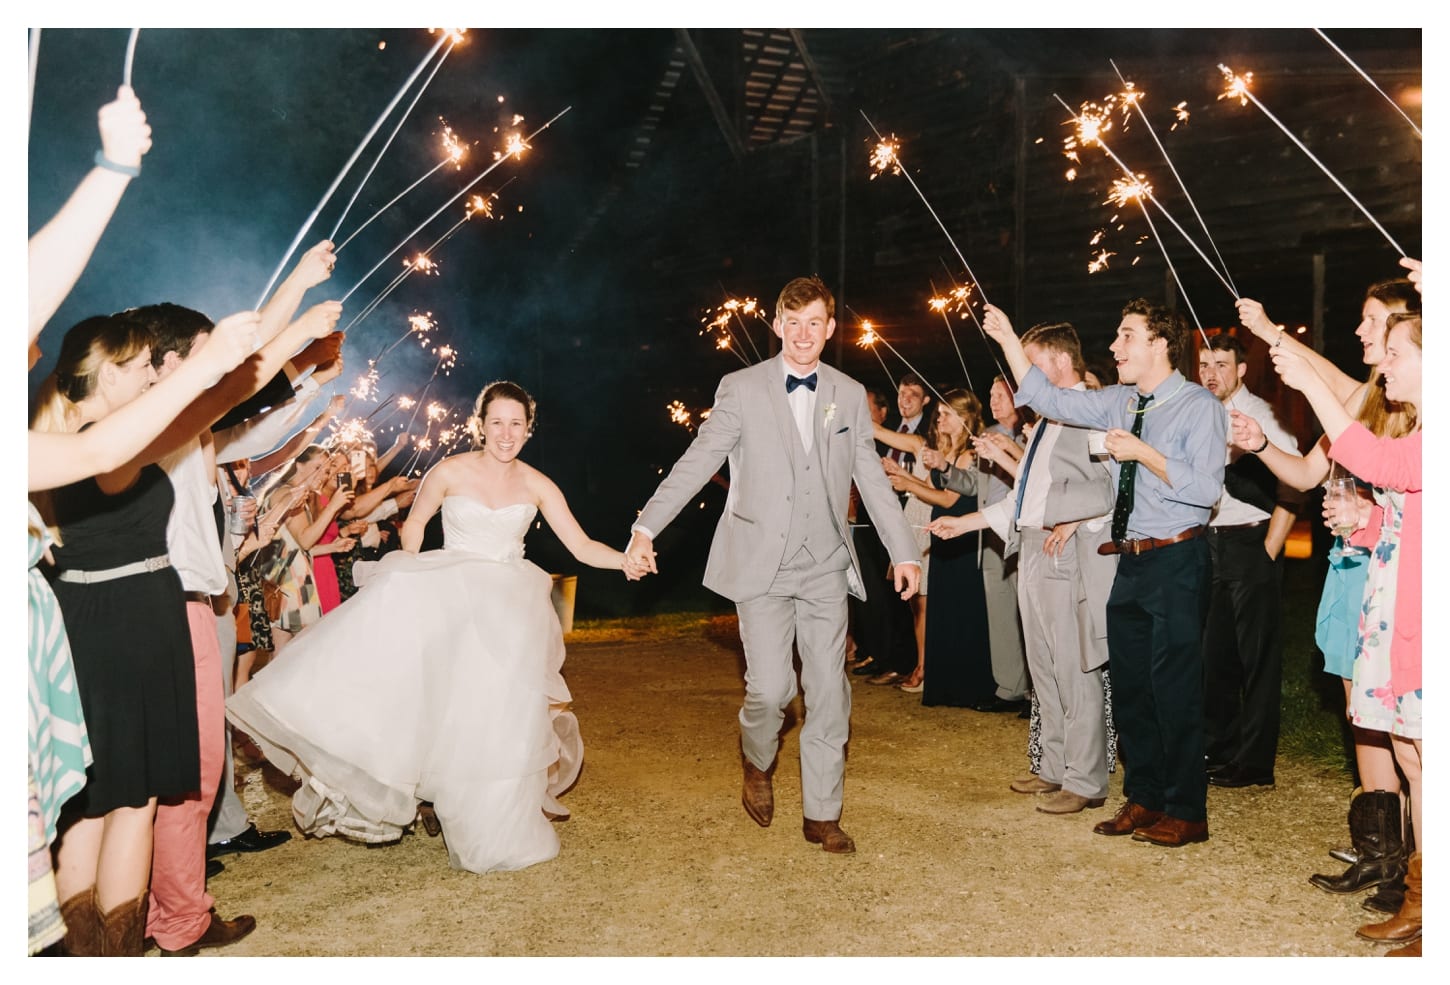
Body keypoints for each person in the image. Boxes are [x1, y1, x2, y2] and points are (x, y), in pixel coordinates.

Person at [228, 381, 639, 873]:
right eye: (496, 422)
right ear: (480, 425)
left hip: (510, 610)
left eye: (516, 423)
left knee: (496, 714)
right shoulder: (448, 471)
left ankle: (490, 819)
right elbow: (415, 524)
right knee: (441, 700)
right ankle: (428, 791)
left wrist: (625, 561)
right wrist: (409, 570)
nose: (506, 433)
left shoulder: (537, 484)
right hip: (451, 593)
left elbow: (581, 545)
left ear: (529, 429)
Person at [625, 276, 920, 854]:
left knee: (828, 689)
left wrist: (903, 549)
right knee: (770, 690)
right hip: (760, 563)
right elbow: (696, 460)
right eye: (794, 322)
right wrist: (645, 527)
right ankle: (757, 759)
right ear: (778, 325)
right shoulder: (740, 388)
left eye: (816, 323)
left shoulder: (849, 393)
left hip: (827, 566)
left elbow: (873, 479)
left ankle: (822, 813)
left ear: (831, 328)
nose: (804, 333)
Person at [982, 298, 1225, 846]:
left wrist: (1143, 454)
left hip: (1177, 556)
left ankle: (1187, 810)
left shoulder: (1197, 407)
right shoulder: (1117, 401)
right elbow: (1046, 396)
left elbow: (1208, 491)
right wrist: (1007, 340)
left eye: (1126, 337)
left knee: (1175, 688)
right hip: (1127, 559)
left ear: (1159, 344)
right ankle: (1143, 798)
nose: (1114, 348)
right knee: (1133, 687)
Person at [1233, 280, 1418, 908]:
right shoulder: (1369, 399)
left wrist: (1268, 332)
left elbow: (1327, 383)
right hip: (1348, 566)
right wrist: (1260, 446)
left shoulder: (1397, 402)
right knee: (1361, 714)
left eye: (1373, 323)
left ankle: (1408, 868)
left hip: (1389, 572)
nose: (1363, 333)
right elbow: (1309, 472)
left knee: (1399, 729)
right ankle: (1382, 855)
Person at [929, 321, 1117, 815]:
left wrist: (1070, 516)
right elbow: (1024, 499)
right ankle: (1052, 767)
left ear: (1058, 361)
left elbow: (1108, 490)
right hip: (1031, 550)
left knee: (1075, 668)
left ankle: (1085, 779)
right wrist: (966, 523)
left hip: (1065, 556)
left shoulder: (1089, 415)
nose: (1024, 379)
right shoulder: (1047, 422)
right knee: (1044, 668)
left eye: (1031, 364)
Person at [1197, 333, 1302, 788]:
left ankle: (1255, 763)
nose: (1210, 373)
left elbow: (1294, 482)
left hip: (1250, 541)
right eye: (1203, 364)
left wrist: (1269, 550)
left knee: (1257, 661)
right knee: (1214, 657)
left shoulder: (1260, 416)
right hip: (1211, 542)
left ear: (1241, 369)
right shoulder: (1200, 414)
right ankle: (1220, 749)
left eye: (1221, 363)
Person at [877, 390, 996, 708]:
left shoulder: (970, 455)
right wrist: (904, 476)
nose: (939, 419)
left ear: (964, 418)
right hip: (942, 532)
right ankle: (944, 684)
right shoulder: (944, 451)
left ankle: (966, 686)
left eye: (945, 414)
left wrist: (908, 485)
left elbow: (948, 500)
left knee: (960, 611)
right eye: (939, 413)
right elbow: (934, 491)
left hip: (962, 535)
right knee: (941, 609)